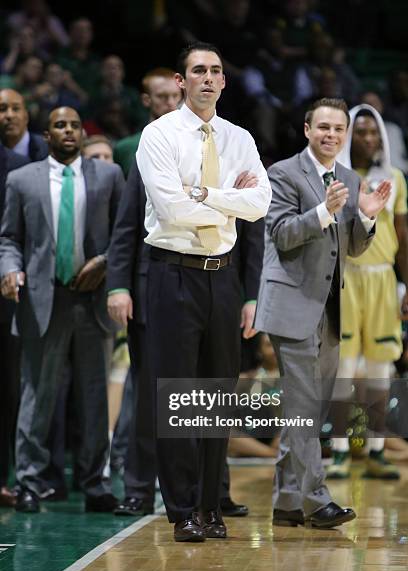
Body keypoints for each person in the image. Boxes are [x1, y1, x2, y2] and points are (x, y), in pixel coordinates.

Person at [134, 42, 270, 542]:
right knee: (178, 395)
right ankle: (183, 508)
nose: (208, 78)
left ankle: (212, 506)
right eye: (198, 71)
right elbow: (171, 210)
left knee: (218, 394)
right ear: (181, 80)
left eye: (216, 70)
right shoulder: (159, 135)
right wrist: (227, 201)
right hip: (173, 273)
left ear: (224, 81)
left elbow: (259, 203)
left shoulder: (238, 137)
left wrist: (205, 195)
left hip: (224, 274)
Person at [255, 97, 391, 529]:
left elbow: (349, 247)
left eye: (338, 129)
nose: (331, 135)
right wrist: (323, 211)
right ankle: (317, 502)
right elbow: (280, 234)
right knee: (303, 404)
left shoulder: (348, 177)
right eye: (324, 127)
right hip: (292, 304)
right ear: (308, 129)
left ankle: (287, 502)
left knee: (308, 410)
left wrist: (366, 220)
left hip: (330, 310)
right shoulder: (283, 173)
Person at [107, 158, 263, 518]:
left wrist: (252, 294)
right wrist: (118, 285)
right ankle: (139, 489)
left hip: (219, 283)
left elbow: (253, 232)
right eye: (162, 96)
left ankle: (215, 492)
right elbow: (126, 227)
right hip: (155, 291)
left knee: (213, 395)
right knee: (154, 397)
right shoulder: (151, 154)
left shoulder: (226, 150)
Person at [0, 106, 124, 513]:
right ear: (47, 133)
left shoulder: (108, 175)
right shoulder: (22, 179)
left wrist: (105, 262)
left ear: (82, 133)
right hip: (42, 298)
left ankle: (94, 483)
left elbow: (124, 233)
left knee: (93, 396)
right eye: (59, 125)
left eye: (74, 125)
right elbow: (9, 238)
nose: (68, 131)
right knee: (37, 394)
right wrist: (11, 270)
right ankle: (30, 483)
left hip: (92, 298)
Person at [327, 104, 408, 480]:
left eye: (374, 132)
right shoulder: (334, 176)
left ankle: (376, 448)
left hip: (381, 278)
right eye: (360, 132)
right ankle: (340, 450)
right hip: (345, 275)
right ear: (348, 137)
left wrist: (406, 285)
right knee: (342, 366)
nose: (368, 138)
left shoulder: (393, 177)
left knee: (380, 367)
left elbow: (404, 237)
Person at [0, 143, 29, 507]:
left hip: (5, 293)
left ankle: (2, 477)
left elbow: (14, 234)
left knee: (7, 389)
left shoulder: (18, 166)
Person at [113, 68, 182, 177]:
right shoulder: (125, 148)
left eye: (176, 95)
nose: (171, 102)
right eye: (162, 96)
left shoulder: (194, 142)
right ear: (146, 100)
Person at [0, 88, 48, 161]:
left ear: (26, 116)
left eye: (16, 109)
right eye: (2, 109)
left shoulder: (49, 149)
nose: (10, 115)